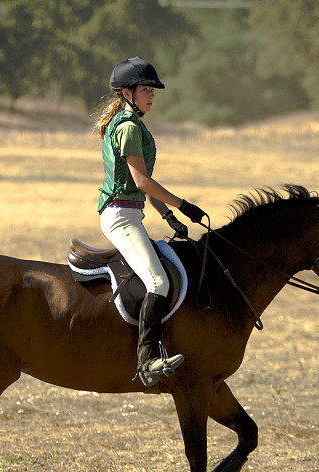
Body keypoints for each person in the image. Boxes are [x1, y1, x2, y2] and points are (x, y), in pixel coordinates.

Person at [93, 56, 207, 387]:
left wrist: (168, 216)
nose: (151, 96)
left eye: (153, 91)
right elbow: (142, 182)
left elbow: (142, 185)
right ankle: (146, 362)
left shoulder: (133, 125)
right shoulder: (128, 128)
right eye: (146, 90)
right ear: (127, 92)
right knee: (159, 283)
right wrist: (184, 205)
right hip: (119, 216)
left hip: (131, 213)